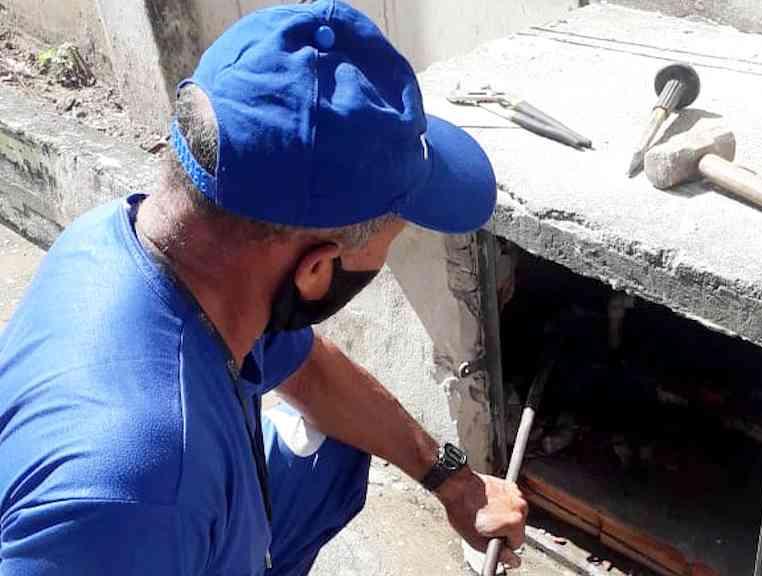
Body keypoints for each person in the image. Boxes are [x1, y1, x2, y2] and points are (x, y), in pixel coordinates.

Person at [0, 2, 528, 574]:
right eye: (391, 238)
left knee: (340, 443)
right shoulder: (135, 499)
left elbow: (312, 371)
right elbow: (135, 506)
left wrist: (452, 480)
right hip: (152, 525)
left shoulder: (148, 247)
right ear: (315, 270)